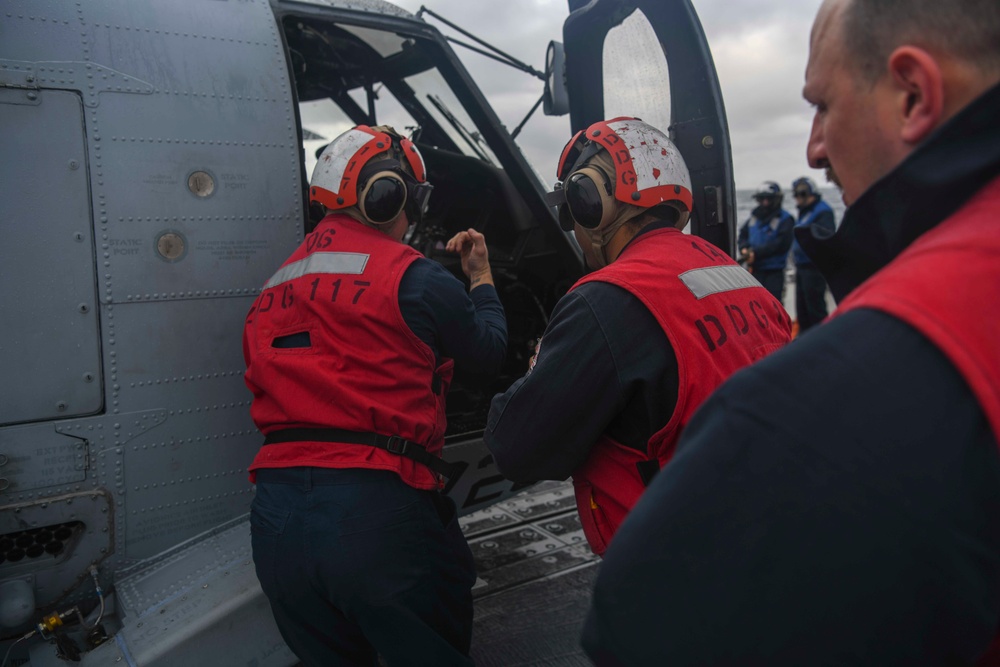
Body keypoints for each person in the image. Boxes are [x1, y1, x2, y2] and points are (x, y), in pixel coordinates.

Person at [583, 0, 1000, 664]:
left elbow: (639, 624)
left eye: (824, 105)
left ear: (914, 94)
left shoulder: (837, 397)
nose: (815, 144)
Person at [243, 125, 507, 666]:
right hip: (377, 511)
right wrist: (480, 278)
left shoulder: (270, 290)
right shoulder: (416, 278)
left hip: (276, 523)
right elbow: (487, 355)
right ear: (389, 195)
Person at [483, 117, 791, 557]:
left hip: (676, 566)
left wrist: (537, 371)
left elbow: (516, 449)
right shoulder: (738, 277)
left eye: (573, 208)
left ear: (591, 203)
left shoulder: (607, 299)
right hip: (771, 533)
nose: (573, 229)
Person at [790, 176, 836, 332]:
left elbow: (825, 238)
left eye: (802, 194)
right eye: (796, 194)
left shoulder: (823, 211)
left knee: (815, 309)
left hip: (814, 267)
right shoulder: (805, 213)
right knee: (802, 309)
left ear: (812, 193)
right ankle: (805, 339)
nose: (798, 198)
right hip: (801, 267)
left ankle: (823, 339)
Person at [737, 181, 795, 302]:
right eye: (762, 199)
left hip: (773, 272)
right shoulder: (754, 217)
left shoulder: (785, 219)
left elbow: (781, 244)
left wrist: (755, 253)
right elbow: (743, 235)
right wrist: (744, 248)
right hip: (754, 271)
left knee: (773, 305)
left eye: (769, 199)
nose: (765, 202)